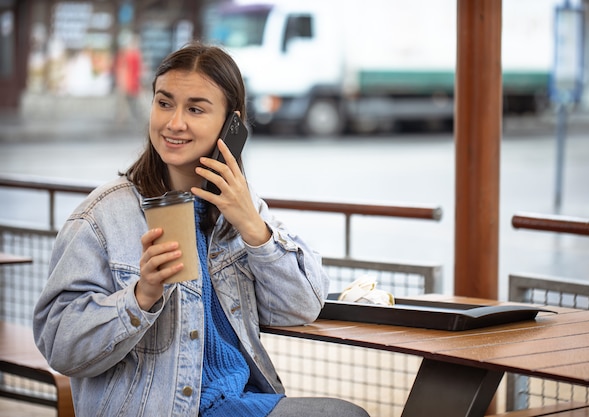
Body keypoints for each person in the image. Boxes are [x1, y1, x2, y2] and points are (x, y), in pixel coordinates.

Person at [33, 43, 370, 417]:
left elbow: (303, 306)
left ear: (232, 124)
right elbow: (58, 344)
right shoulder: (101, 217)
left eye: (195, 108)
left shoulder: (241, 208)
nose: (174, 123)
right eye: (164, 103)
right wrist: (140, 296)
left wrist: (255, 229)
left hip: (237, 402)